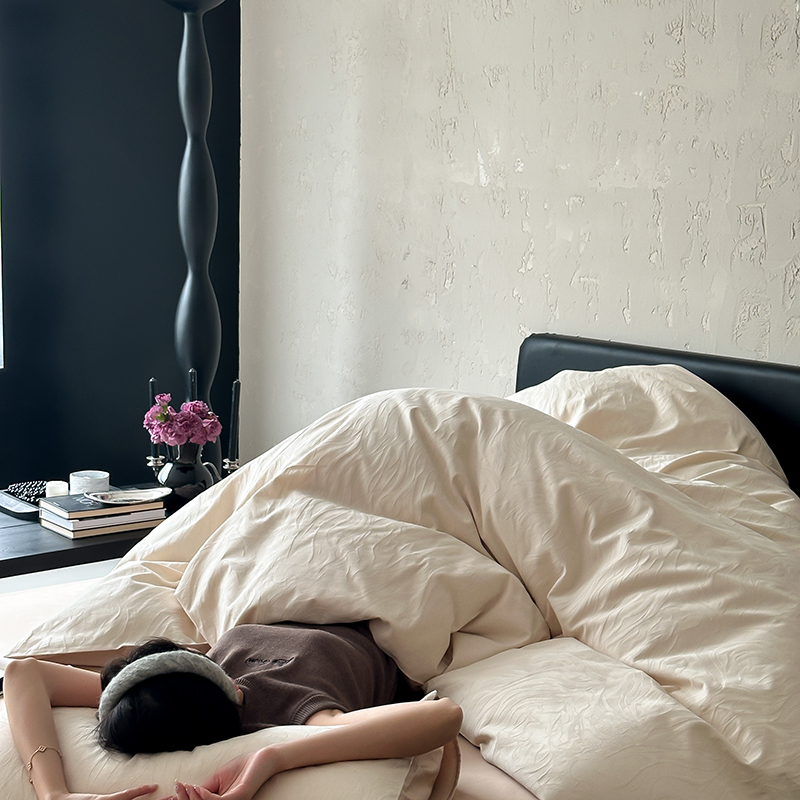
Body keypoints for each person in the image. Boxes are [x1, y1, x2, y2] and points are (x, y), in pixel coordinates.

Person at [4, 621, 463, 800]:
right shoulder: (172, 684)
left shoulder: (297, 709)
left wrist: (271, 757)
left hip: (360, 618)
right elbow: (22, 672)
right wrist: (54, 794)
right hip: (270, 628)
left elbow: (445, 716)